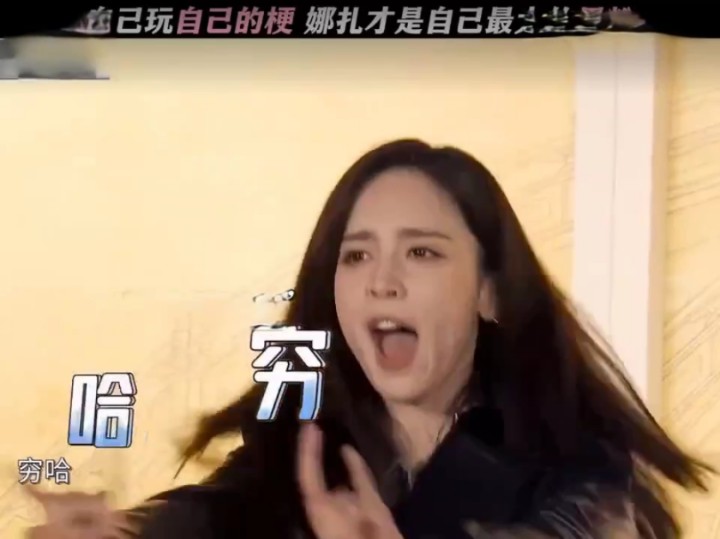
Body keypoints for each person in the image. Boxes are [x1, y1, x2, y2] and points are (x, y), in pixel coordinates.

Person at [26, 139, 714, 538]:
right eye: (356, 256)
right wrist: (125, 530)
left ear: (490, 290)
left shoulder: (589, 476)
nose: (381, 281)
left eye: (421, 252)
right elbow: (218, 513)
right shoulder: (309, 440)